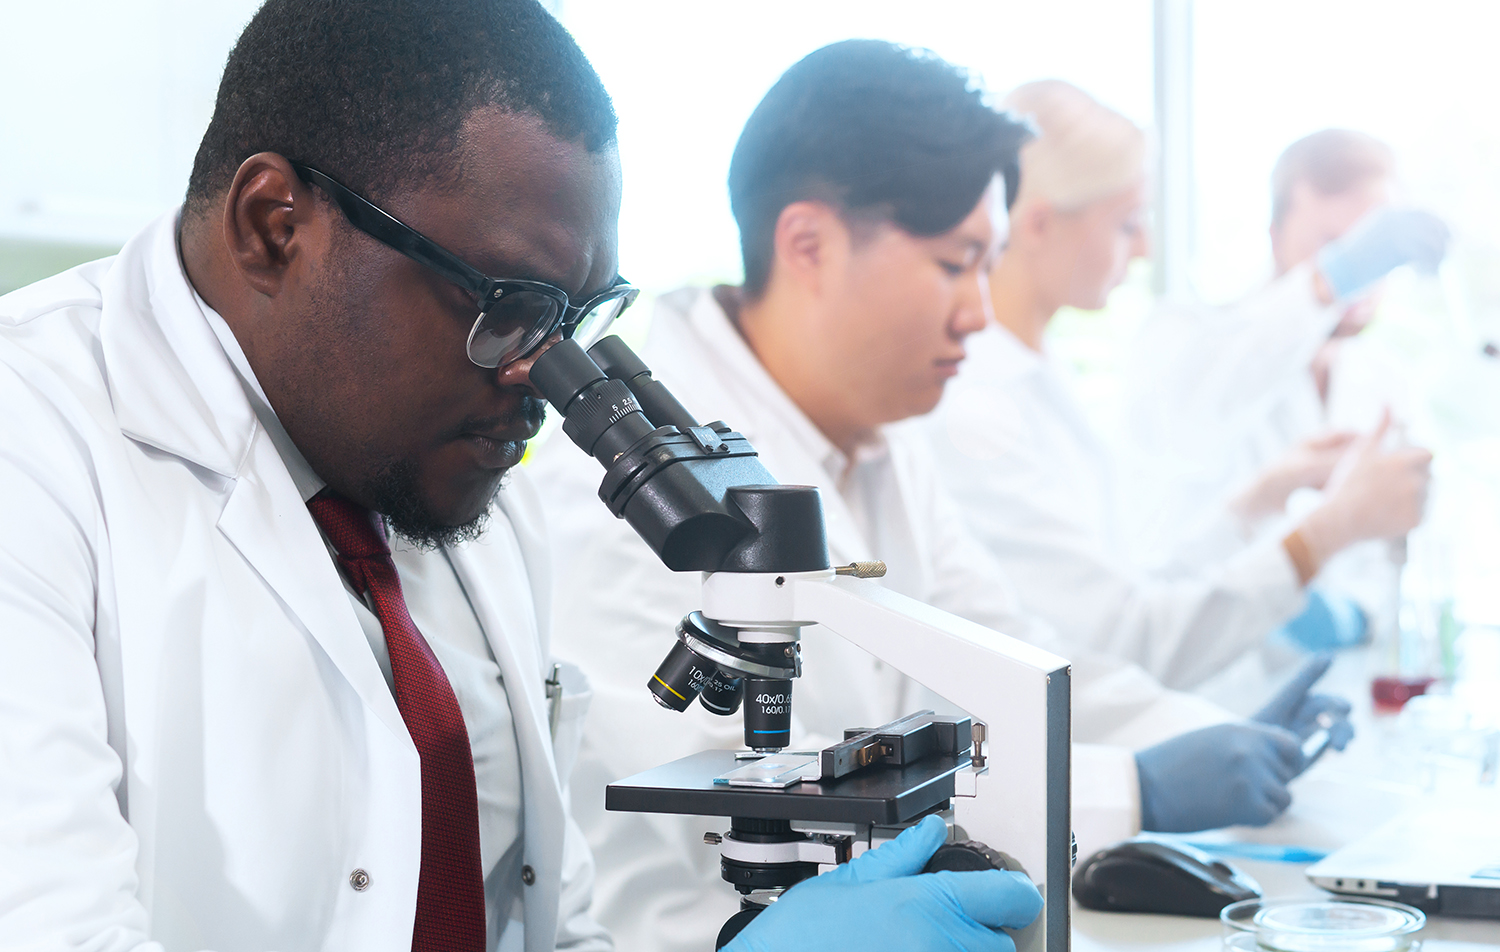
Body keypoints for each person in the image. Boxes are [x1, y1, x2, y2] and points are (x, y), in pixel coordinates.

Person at [0, 3, 1048, 950]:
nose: (542, 380)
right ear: (276, 224)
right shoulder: (34, 452)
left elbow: (549, 927)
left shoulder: (457, 492)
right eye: (507, 302)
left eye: (575, 320)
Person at [530, 43, 1353, 952]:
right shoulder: (635, 504)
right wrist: (1135, 787)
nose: (980, 313)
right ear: (808, 244)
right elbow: (720, 833)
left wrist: (1208, 736)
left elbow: (1008, 657)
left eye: (987, 265)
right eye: (956, 264)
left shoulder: (883, 442)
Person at [921, 82, 1433, 690]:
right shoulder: (977, 403)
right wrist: (1322, 535)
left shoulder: (1047, 378)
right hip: (1093, 729)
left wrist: (1263, 498)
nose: (1145, 248)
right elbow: (1124, 637)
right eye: (1128, 223)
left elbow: (1135, 585)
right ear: (1036, 225)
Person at [1120, 129, 1449, 581]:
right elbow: (1184, 425)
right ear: (1275, 235)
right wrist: (1331, 279)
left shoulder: (1387, 378)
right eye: (1333, 246)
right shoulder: (1191, 337)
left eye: (1376, 250)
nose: (1363, 277)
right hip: (1220, 645)